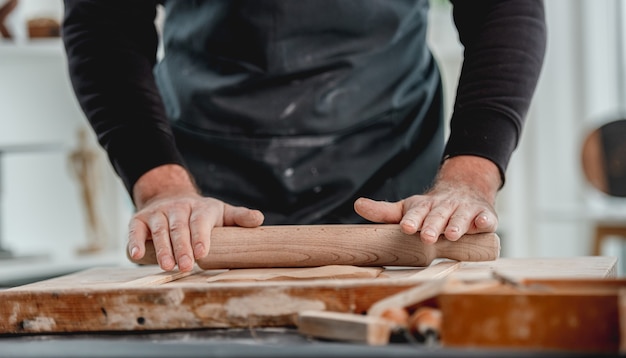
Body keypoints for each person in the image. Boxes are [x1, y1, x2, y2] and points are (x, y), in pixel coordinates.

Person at [61, 0, 547, 272]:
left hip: (396, 183)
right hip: (205, 197)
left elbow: (503, 9)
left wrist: (470, 176)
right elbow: (104, 22)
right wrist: (161, 187)